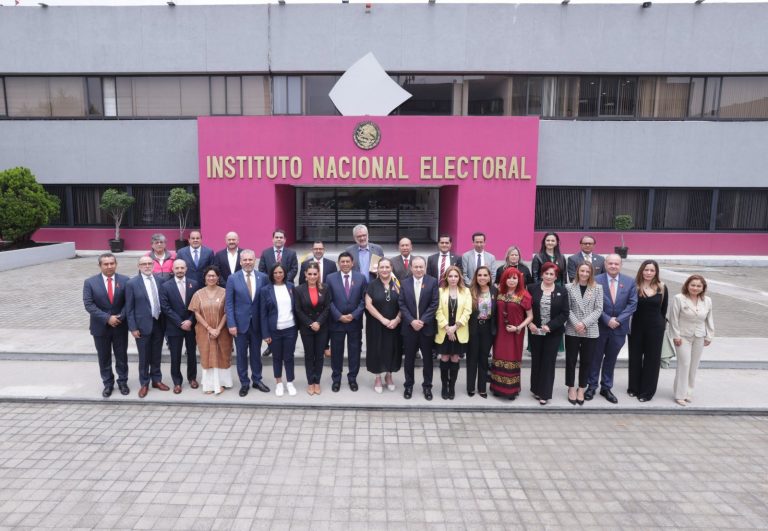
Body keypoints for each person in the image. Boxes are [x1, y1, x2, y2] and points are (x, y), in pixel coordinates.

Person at [587, 254, 638, 404]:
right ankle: (592, 386)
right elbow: (591, 302)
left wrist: (619, 320)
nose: (613, 266)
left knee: (611, 359)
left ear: (620, 265)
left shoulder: (630, 282)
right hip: (600, 326)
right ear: (605, 264)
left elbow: (632, 304)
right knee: (595, 358)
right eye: (610, 263)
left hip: (619, 329)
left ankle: (606, 388)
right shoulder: (596, 280)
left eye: (616, 264)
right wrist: (607, 319)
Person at [83, 253, 130, 397]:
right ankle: (108, 384)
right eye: (106, 264)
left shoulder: (125, 280)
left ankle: (122, 382)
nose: (109, 266)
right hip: (100, 327)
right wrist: (107, 318)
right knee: (104, 357)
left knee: (121, 356)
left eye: (112, 263)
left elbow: (129, 302)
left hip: (120, 326)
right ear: (100, 266)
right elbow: (89, 304)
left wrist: (120, 317)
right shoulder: (90, 282)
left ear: (116, 264)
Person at [225, 249, 270, 397]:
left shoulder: (263, 277)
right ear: (240, 261)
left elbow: (265, 302)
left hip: (257, 324)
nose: (248, 262)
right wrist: (231, 324)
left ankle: (257, 380)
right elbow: (229, 304)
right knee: (242, 355)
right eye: (245, 260)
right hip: (239, 325)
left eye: (250, 259)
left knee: (256, 354)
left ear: (254, 260)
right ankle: (244, 383)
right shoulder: (232, 278)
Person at [126, 256, 170, 398]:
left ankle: (156, 380)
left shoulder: (160, 280)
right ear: (139, 266)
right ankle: (144, 383)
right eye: (143, 264)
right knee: (144, 356)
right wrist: (132, 328)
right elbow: (129, 308)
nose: (147, 266)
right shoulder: (132, 283)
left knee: (156, 354)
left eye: (149, 263)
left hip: (159, 323)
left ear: (153, 265)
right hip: (142, 326)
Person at [668, 274, 714, 407]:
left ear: (703, 287)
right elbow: (673, 318)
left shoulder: (707, 301)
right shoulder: (679, 298)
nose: (695, 288)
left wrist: (709, 335)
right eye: (692, 285)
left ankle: (688, 392)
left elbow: (709, 319)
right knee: (684, 364)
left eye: (699, 286)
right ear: (687, 285)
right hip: (682, 336)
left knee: (694, 365)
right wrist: (676, 335)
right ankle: (679, 395)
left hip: (699, 336)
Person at [527, 262, 569, 405]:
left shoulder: (562, 291)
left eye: (552, 274)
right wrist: (530, 324)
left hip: (553, 333)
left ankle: (545, 393)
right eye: (547, 273)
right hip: (535, 331)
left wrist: (550, 326)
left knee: (548, 362)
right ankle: (536, 389)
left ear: (556, 276)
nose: (549, 276)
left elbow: (565, 313)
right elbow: (525, 309)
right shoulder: (532, 288)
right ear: (542, 274)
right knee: (536, 360)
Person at [627, 260, 669, 402]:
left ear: (656, 272)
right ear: (641, 271)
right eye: (646, 270)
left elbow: (663, 310)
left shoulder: (662, 287)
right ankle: (633, 387)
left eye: (652, 270)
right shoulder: (634, 286)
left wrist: (661, 326)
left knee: (652, 359)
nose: (649, 273)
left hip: (655, 328)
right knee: (635, 357)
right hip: (636, 327)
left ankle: (647, 392)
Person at [326, 251, 368, 392]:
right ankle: (336, 379)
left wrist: (353, 315)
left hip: (354, 322)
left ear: (352, 263)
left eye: (347, 261)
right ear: (338, 263)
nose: (345, 264)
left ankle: (352, 379)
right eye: (342, 262)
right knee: (336, 352)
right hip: (336, 322)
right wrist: (338, 316)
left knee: (354, 352)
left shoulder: (361, 278)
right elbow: (328, 300)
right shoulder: (330, 278)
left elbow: (364, 300)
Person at [399, 256, 439, 400]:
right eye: (415, 267)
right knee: (409, 359)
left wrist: (421, 321)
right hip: (409, 329)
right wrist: (411, 321)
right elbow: (401, 304)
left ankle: (427, 387)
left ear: (425, 267)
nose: (418, 269)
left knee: (428, 360)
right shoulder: (404, 283)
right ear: (411, 268)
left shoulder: (433, 282)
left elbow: (434, 303)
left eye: (421, 266)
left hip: (426, 328)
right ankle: (408, 385)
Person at [188, 265, 233, 394]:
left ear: (218, 278)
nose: (211, 278)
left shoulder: (225, 292)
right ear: (205, 278)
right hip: (204, 331)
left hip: (222, 331)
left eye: (214, 276)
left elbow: (226, 312)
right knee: (207, 355)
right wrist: (209, 328)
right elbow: (196, 313)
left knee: (222, 355)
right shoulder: (198, 294)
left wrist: (218, 329)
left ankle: (222, 383)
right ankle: (209, 385)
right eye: (209, 276)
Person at [564, 262, 603, 405]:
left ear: (591, 273)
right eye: (582, 271)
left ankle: (581, 388)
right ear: (577, 271)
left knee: (586, 361)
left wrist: (584, 323)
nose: (585, 274)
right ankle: (571, 387)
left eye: (587, 271)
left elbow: (598, 309)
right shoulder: (569, 287)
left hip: (590, 330)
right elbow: (566, 309)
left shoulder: (597, 288)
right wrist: (577, 324)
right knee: (571, 360)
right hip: (572, 329)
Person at [491, 268, 533, 400]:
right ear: (504, 279)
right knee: (498, 356)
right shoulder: (499, 293)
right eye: (509, 277)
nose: (511, 280)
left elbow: (530, 316)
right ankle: (497, 387)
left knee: (511, 358)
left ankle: (511, 390)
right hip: (500, 333)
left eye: (515, 278)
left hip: (515, 333)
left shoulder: (524, 295)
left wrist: (518, 327)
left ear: (519, 280)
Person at [159, 259, 200, 393]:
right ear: (173, 269)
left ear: (186, 269)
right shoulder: (165, 286)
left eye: (182, 268)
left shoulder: (194, 284)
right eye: (177, 268)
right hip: (173, 327)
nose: (180, 270)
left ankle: (192, 378)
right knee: (175, 356)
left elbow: (197, 306)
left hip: (191, 325)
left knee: (192, 354)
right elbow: (165, 307)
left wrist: (190, 321)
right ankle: (177, 382)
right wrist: (180, 322)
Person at [364, 258, 403, 393]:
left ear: (391, 268)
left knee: (392, 349)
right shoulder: (372, 285)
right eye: (382, 267)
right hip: (376, 324)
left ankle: (389, 376)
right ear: (378, 269)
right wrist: (383, 319)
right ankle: (378, 377)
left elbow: (404, 304)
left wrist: (397, 319)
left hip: (394, 325)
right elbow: (368, 305)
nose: (385, 270)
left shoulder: (398, 285)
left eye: (387, 267)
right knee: (377, 349)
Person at [260, 264, 298, 397]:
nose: (278, 275)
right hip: (274, 330)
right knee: (277, 357)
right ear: (272, 274)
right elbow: (263, 314)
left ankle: (290, 382)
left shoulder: (291, 287)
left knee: (289, 357)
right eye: (275, 272)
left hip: (290, 329)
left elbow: (296, 308)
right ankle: (279, 383)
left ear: (285, 273)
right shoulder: (266, 290)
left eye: (280, 272)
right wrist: (265, 334)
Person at [434, 266, 472, 399]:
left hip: (459, 331)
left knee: (455, 358)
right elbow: (437, 311)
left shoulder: (466, 291)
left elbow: (468, 311)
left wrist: (454, 328)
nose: (453, 279)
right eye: (450, 276)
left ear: (459, 277)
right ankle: (444, 386)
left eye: (456, 276)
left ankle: (452, 386)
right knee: (444, 358)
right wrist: (447, 328)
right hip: (444, 331)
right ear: (446, 277)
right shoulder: (440, 291)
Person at [293, 262, 331, 395]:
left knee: (319, 356)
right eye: (310, 274)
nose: (312, 276)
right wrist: (310, 323)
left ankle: (317, 382)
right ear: (305, 275)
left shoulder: (325, 288)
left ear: (318, 274)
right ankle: (310, 382)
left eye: (315, 274)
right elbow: (298, 310)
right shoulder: (298, 290)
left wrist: (318, 323)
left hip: (322, 327)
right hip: (306, 328)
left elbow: (327, 308)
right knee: (309, 356)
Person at [467, 266, 497, 398]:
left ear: (489, 277)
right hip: (473, 328)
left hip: (488, 328)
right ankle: (470, 387)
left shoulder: (494, 291)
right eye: (480, 275)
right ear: (476, 277)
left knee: (484, 358)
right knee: (472, 358)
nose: (482, 278)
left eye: (485, 275)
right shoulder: (470, 291)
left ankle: (482, 387)